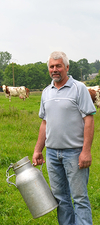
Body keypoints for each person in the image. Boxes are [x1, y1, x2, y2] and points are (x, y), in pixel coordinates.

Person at [32, 51, 96, 225]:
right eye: (52, 66)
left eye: (58, 66)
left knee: (79, 198)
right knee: (60, 198)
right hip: (52, 154)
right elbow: (45, 123)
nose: (55, 69)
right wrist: (38, 150)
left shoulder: (79, 88)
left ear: (67, 67)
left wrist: (86, 151)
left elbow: (89, 119)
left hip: (74, 153)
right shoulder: (46, 92)